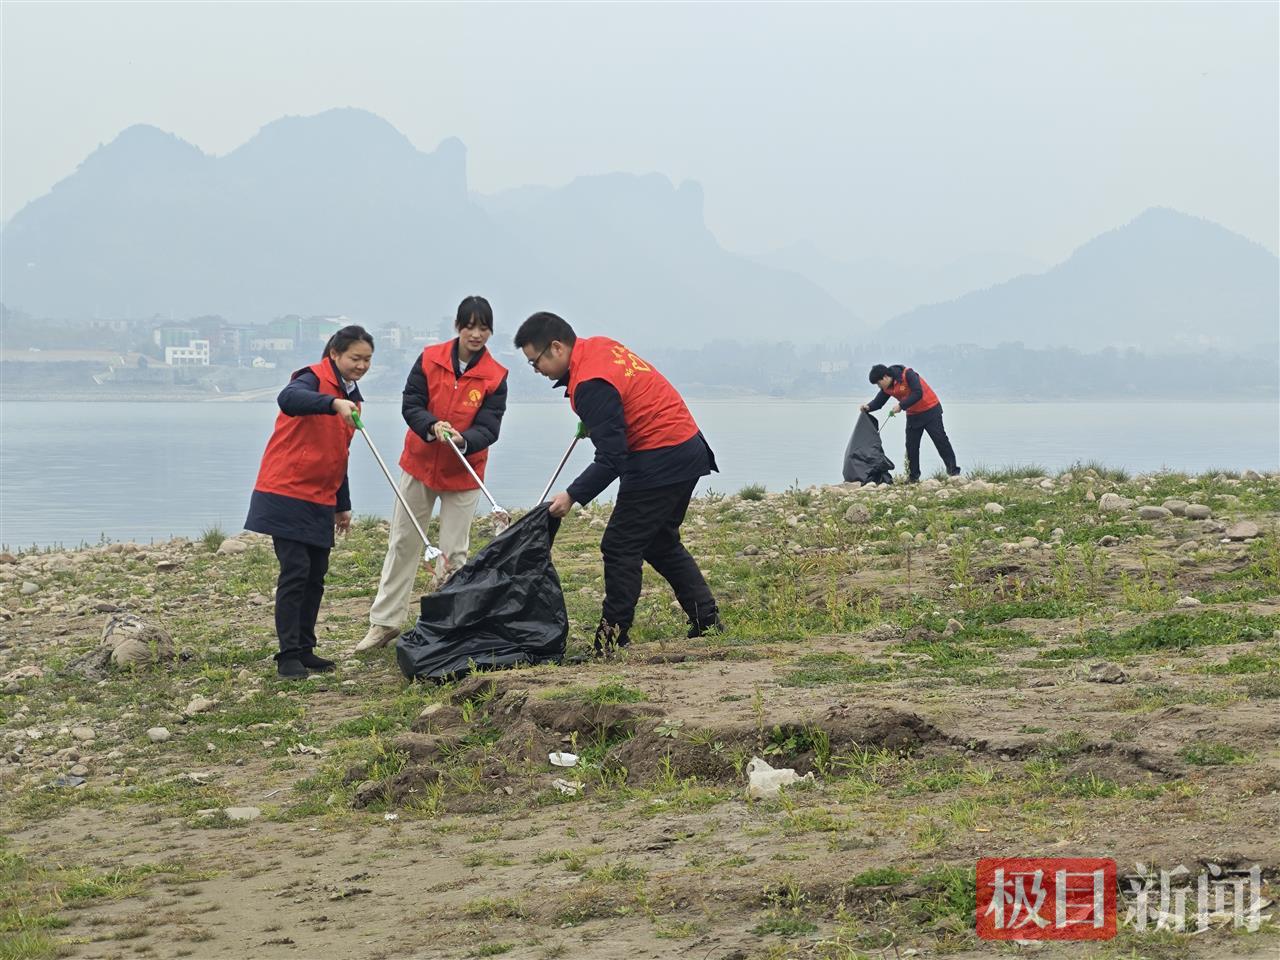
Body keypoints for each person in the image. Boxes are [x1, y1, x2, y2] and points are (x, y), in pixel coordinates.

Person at [514, 311, 720, 655]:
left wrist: (572, 496)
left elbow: (612, 458)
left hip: (661, 454)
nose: (536, 371)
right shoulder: (598, 347)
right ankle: (706, 619)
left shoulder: (590, 383)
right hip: (687, 448)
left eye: (535, 362)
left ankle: (611, 638)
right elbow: (625, 401)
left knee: (620, 545)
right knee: (659, 542)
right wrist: (596, 422)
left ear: (556, 347)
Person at [355, 296, 509, 652]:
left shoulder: (496, 375)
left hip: (465, 473)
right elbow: (411, 403)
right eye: (470, 326)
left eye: (483, 327)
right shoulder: (429, 358)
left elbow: (490, 426)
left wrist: (463, 439)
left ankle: (448, 628)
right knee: (403, 543)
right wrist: (430, 426)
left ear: (490, 331)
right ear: (458, 326)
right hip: (420, 464)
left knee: (455, 554)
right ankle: (384, 624)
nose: (476, 334)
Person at [245, 325, 374, 679]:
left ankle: (305, 648)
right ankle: (287, 655)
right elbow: (288, 399)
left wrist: (342, 504)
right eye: (354, 358)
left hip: (320, 497)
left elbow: (339, 455)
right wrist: (332, 403)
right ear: (334, 353)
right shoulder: (311, 379)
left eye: (367, 360)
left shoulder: (353, 400)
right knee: (296, 571)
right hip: (285, 491)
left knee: (316, 574)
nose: (361, 366)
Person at [861, 363, 960, 483]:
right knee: (911, 446)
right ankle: (913, 477)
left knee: (940, 441)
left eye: (878, 383)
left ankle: (953, 472)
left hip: (931, 410)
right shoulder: (886, 388)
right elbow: (878, 402)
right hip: (913, 415)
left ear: (885, 377)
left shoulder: (907, 374)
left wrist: (901, 405)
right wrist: (868, 407)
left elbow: (918, 393)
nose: (878, 386)